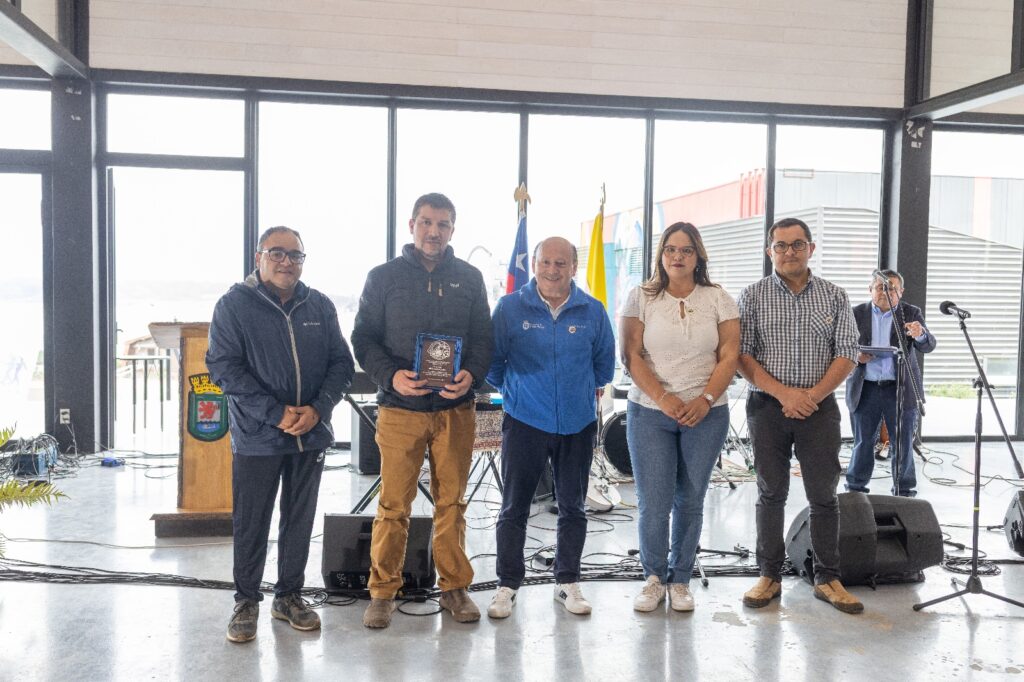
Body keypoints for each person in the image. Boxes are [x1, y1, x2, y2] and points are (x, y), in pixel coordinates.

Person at [352, 192, 494, 629]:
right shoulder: (383, 277)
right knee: (394, 505)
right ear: (412, 225)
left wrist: (471, 374)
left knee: (452, 503)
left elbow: (484, 339)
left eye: (443, 224)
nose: (434, 231)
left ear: (453, 229)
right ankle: (382, 592)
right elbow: (363, 340)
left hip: (456, 410)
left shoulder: (470, 278)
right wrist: (390, 376)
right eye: (427, 223)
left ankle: (454, 588)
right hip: (401, 409)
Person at [207, 226, 355, 643]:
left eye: (295, 255)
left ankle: (288, 596)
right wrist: (275, 414)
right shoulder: (234, 306)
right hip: (258, 436)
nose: (286, 262)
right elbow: (223, 367)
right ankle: (246, 601)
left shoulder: (319, 305)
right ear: (259, 257)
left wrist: (318, 408)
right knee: (252, 521)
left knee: (299, 519)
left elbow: (341, 365)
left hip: (311, 434)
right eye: (277, 253)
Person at [736, 217, 863, 614]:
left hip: (819, 409)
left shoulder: (834, 295)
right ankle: (768, 575)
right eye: (781, 245)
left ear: (811, 248)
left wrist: (811, 396)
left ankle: (828, 578)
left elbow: (847, 352)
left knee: (824, 496)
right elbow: (742, 355)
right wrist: (785, 394)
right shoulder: (752, 295)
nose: (789, 251)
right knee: (770, 493)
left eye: (797, 244)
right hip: (767, 409)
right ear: (769, 251)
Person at [485, 237, 615, 619]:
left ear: (574, 267)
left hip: (577, 424)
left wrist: (575, 392)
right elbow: (493, 364)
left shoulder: (593, 310)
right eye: (545, 262)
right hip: (524, 422)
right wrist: (520, 392)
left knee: (573, 507)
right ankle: (507, 584)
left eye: (561, 263)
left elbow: (604, 367)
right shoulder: (510, 308)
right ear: (535, 265)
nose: (552, 270)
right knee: (514, 507)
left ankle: (567, 582)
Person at [620, 222, 739, 613]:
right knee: (654, 502)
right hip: (650, 411)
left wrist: (706, 399)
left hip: (706, 413)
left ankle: (681, 579)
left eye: (686, 250)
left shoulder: (719, 298)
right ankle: (653, 578)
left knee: (690, 499)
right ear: (661, 254)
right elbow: (631, 355)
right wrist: (663, 397)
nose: (677, 256)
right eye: (670, 249)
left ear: (698, 255)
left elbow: (729, 356)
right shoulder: (641, 297)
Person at [845, 269, 936, 497]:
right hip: (865, 388)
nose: (886, 292)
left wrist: (920, 334)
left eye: (892, 288)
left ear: (901, 292)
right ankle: (855, 490)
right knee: (863, 442)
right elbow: (839, 346)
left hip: (900, 388)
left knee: (902, 443)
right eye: (880, 287)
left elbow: (928, 346)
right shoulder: (856, 313)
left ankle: (904, 491)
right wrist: (856, 356)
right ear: (870, 290)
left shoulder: (910, 313)